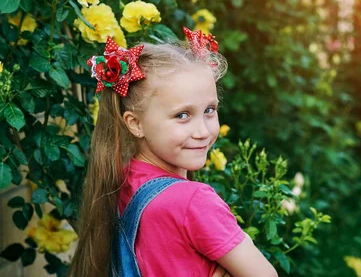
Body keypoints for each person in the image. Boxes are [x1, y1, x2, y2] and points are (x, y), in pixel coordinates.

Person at [69, 28, 278, 277]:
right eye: (182, 115)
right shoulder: (193, 202)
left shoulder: (121, 182)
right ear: (135, 124)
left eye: (209, 110)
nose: (202, 131)